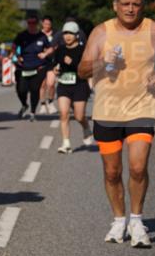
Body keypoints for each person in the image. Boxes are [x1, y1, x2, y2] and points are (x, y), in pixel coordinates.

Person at [78, 0, 155, 248]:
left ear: (142, 5)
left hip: (142, 107)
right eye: (125, 3)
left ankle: (136, 220)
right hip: (108, 110)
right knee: (112, 172)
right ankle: (118, 219)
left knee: (138, 167)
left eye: (136, 4)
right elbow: (82, 70)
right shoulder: (101, 32)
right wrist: (104, 62)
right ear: (115, 5)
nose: (130, 8)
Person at [53, 20, 93, 153]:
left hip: (79, 85)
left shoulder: (83, 50)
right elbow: (56, 65)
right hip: (64, 84)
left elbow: (87, 69)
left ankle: (86, 127)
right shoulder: (60, 49)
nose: (67, 36)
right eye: (65, 33)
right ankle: (66, 143)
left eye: (70, 33)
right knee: (63, 114)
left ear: (77, 35)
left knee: (79, 116)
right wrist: (55, 70)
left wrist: (74, 63)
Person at [10, 14, 52, 121]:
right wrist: (17, 56)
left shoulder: (42, 36)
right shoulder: (22, 35)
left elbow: (50, 48)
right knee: (21, 89)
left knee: (34, 89)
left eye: (34, 23)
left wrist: (45, 54)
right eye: (29, 23)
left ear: (37, 24)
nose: (31, 25)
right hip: (24, 66)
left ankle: (33, 112)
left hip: (38, 67)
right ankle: (24, 104)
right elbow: (14, 46)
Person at [38, 16, 57, 114]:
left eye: (49, 24)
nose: (47, 26)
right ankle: (42, 104)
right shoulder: (38, 34)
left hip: (52, 62)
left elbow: (57, 46)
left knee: (51, 83)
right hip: (40, 63)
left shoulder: (55, 34)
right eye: (45, 24)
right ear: (42, 24)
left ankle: (50, 102)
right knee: (42, 85)